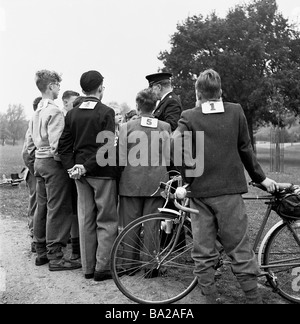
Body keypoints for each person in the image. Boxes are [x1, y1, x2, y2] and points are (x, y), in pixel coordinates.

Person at [172, 68, 279, 304]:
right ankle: (253, 298)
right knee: (240, 249)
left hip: (200, 194)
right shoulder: (236, 111)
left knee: (203, 252)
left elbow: (175, 144)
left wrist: (186, 179)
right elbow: (246, 150)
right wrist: (261, 179)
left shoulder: (189, 116)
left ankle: (210, 299)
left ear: (197, 92)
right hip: (230, 192)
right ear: (220, 91)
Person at [58, 70, 119, 281]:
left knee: (85, 220)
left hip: (80, 175)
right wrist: (86, 167)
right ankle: (103, 268)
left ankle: (87, 267)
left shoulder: (71, 114)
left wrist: (73, 167)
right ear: (100, 87)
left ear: (83, 88)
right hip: (102, 172)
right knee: (107, 219)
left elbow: (63, 146)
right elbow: (108, 146)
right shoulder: (107, 112)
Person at [27, 70, 81, 272]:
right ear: (51, 86)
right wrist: (66, 165)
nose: (59, 88)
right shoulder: (55, 111)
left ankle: (41, 251)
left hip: (38, 162)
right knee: (58, 208)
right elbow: (57, 145)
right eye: (58, 84)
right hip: (52, 162)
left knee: (41, 207)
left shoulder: (37, 111)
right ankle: (56, 256)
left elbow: (32, 142)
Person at [118, 88, 171, 277]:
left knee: (130, 225)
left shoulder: (126, 127)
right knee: (152, 226)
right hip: (156, 182)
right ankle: (151, 267)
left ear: (137, 105)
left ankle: (129, 265)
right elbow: (167, 156)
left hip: (131, 182)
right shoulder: (165, 127)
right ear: (155, 105)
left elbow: (121, 158)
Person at [60, 90, 81, 261]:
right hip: (68, 169)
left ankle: (77, 247)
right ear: (66, 103)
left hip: (79, 169)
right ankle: (74, 246)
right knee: (71, 209)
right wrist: (69, 168)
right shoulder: (63, 119)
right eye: (73, 103)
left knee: (77, 208)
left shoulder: (78, 118)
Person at [22, 96, 42, 253]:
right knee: (36, 205)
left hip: (36, 169)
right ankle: (35, 238)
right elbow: (27, 153)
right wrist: (36, 170)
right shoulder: (34, 125)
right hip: (34, 171)